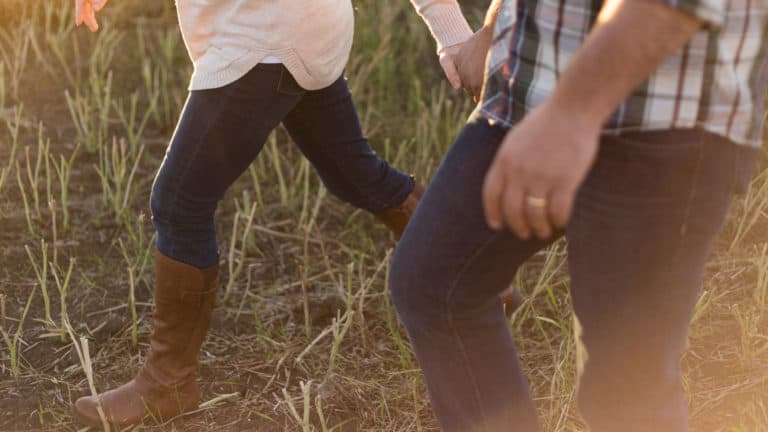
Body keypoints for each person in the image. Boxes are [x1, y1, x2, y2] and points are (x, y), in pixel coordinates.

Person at [70, 0, 492, 427]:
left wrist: (452, 33)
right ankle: (470, 271)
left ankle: (168, 383)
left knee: (179, 202)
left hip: (263, 42)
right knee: (355, 174)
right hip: (304, 30)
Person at [389, 0, 765, 430]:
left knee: (624, 389)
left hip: (660, 117)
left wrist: (571, 114)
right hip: (533, 89)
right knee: (436, 283)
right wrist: (496, 25)